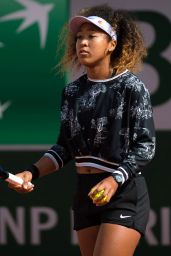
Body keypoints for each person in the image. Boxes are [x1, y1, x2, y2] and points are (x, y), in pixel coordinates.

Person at [9, 4, 156, 256]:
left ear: (111, 44)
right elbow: (65, 147)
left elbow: (146, 145)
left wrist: (114, 179)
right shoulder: (72, 92)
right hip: (86, 194)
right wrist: (31, 172)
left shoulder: (132, 87)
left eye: (92, 36)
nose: (83, 43)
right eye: (79, 37)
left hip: (122, 191)